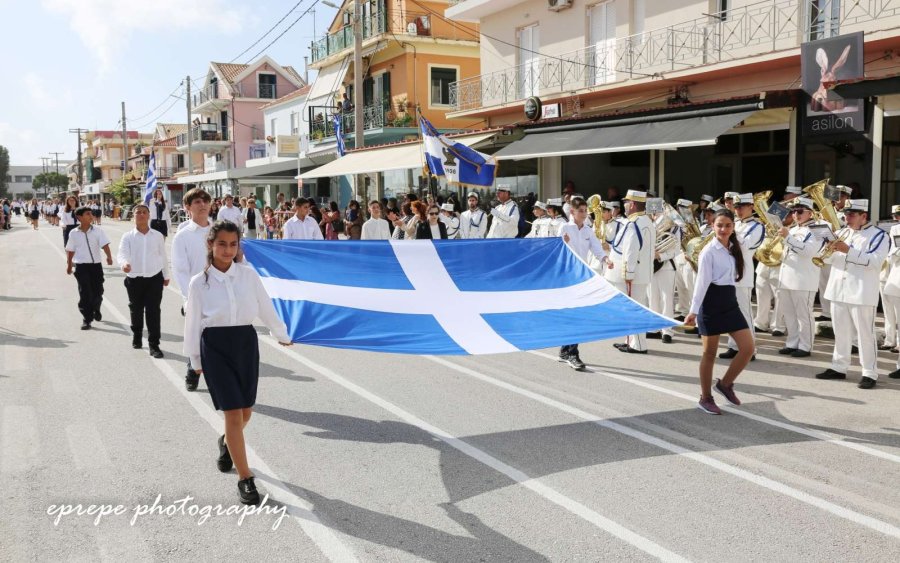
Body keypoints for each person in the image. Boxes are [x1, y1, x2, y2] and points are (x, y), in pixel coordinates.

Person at [183, 221, 292, 505]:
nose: (228, 250)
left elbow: (265, 306)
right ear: (210, 244)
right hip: (215, 348)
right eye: (222, 244)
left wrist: (281, 333)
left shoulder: (248, 276)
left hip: (244, 343)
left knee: (245, 413)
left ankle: (226, 442)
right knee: (233, 414)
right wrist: (195, 359)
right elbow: (193, 322)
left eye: (233, 244)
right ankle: (245, 478)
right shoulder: (199, 283)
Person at [685, 208, 753, 415]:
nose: (723, 229)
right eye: (719, 225)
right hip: (711, 303)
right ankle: (705, 397)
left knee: (748, 348)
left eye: (728, 225)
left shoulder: (735, 247)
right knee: (710, 353)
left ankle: (725, 384)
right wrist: (693, 311)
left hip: (729, 302)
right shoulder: (708, 251)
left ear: (733, 228)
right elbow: (701, 283)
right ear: (713, 226)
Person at [816, 199, 889, 389]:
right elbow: (830, 260)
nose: (847, 217)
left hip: (861, 292)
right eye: (846, 214)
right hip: (838, 290)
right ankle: (839, 367)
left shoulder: (879, 236)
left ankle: (869, 372)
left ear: (864, 216)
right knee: (841, 332)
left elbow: (874, 261)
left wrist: (847, 250)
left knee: (865, 334)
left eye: (852, 214)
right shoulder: (842, 233)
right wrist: (826, 246)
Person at [558, 197, 611, 370]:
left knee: (577, 314)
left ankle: (566, 350)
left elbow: (596, 248)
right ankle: (572, 353)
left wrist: (605, 259)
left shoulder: (588, 230)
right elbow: (556, 251)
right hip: (566, 276)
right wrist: (562, 243)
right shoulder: (564, 227)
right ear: (572, 212)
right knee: (573, 315)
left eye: (585, 210)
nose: (584, 213)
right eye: (581, 211)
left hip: (581, 276)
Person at [171, 187, 213, 391]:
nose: (202, 204)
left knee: (219, 338)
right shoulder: (183, 236)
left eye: (205, 201)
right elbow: (180, 270)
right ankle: (192, 371)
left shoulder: (221, 230)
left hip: (220, 294)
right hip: (196, 296)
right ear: (188, 207)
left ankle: (218, 378)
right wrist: (189, 298)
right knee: (196, 336)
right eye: (197, 202)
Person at [117, 204, 170, 357]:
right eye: (138, 212)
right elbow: (122, 254)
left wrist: (166, 275)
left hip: (154, 278)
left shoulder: (157, 235)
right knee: (136, 309)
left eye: (144, 212)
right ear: (133, 216)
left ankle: (154, 345)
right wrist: (124, 264)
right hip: (134, 279)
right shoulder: (127, 236)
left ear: (148, 215)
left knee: (153, 311)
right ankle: (137, 335)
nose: (141, 214)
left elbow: (163, 256)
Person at [776, 197, 823, 359]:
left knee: (804, 315)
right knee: (789, 313)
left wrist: (788, 237)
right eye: (793, 211)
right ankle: (792, 342)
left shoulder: (817, 229)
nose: (796, 214)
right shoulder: (793, 229)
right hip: (787, 276)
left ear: (810, 213)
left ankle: (805, 346)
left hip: (804, 279)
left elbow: (807, 252)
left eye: (800, 211)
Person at [719, 193, 764, 361]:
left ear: (751, 206)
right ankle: (733, 345)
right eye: (736, 207)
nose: (738, 210)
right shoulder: (733, 224)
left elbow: (744, 247)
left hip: (742, 274)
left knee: (744, 313)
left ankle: (749, 349)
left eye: (742, 207)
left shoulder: (757, 227)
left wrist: (727, 233)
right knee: (730, 313)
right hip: (726, 274)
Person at [612, 190, 655, 354]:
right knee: (635, 307)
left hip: (634, 275)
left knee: (634, 309)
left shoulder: (634, 223)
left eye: (626, 202)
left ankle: (638, 344)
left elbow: (631, 251)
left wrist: (628, 274)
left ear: (632, 204)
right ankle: (631, 341)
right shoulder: (646, 221)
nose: (624, 205)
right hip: (642, 273)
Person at [65, 207, 113, 330]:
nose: (91, 216)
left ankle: (96, 308)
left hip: (96, 266)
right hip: (81, 266)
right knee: (85, 292)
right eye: (87, 214)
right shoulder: (73, 233)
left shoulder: (98, 231)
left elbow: (105, 245)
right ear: (79, 217)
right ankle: (87, 319)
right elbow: (70, 250)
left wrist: (109, 257)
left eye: (91, 214)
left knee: (98, 291)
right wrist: (69, 265)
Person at [647, 204, 681, 344]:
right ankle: (655, 328)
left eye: (658, 212)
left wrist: (660, 255)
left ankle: (667, 331)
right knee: (652, 298)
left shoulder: (674, 228)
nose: (656, 215)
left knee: (667, 300)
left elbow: (676, 249)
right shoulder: (649, 226)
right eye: (654, 213)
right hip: (651, 267)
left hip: (667, 267)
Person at [881, 204, 900, 355]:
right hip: (891, 271)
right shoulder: (894, 229)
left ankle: (899, 342)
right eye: (895, 216)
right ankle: (890, 339)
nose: (897, 219)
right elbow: (893, 253)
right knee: (889, 308)